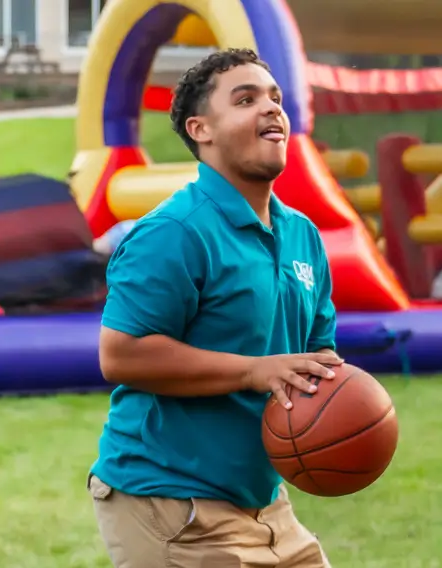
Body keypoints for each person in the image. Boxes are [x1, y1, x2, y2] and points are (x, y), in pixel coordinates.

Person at [89, 48, 343, 568]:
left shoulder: (302, 236)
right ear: (200, 129)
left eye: (274, 98)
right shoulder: (173, 233)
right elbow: (122, 355)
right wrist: (253, 371)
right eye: (245, 99)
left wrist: (341, 418)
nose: (272, 109)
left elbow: (317, 359)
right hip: (170, 500)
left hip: (265, 501)